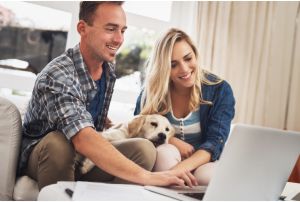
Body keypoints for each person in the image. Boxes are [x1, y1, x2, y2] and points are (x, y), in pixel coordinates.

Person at [18, 2, 197, 190]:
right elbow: (83, 138)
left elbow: (91, 125)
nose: (119, 39)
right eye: (111, 29)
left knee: (144, 149)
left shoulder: (107, 68)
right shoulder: (58, 74)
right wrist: (150, 177)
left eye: (123, 30)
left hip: (82, 157)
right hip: (46, 157)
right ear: (82, 28)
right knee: (59, 143)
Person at [134, 28, 235, 185]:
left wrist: (175, 172)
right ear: (164, 68)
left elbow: (214, 143)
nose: (184, 69)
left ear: (195, 54)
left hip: (204, 161)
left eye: (188, 58)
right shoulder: (152, 92)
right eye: (173, 65)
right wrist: (172, 140)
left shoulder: (220, 89)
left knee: (206, 178)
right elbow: (137, 130)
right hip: (165, 159)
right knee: (165, 155)